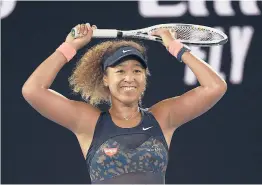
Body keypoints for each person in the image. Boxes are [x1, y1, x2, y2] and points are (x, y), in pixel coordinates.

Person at [22, 23, 227, 184]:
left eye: (137, 71)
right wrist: (69, 47)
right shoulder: (89, 123)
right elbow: (33, 90)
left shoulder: (163, 117)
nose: (129, 78)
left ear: (145, 78)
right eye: (120, 71)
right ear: (105, 79)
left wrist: (175, 46)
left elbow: (214, 87)